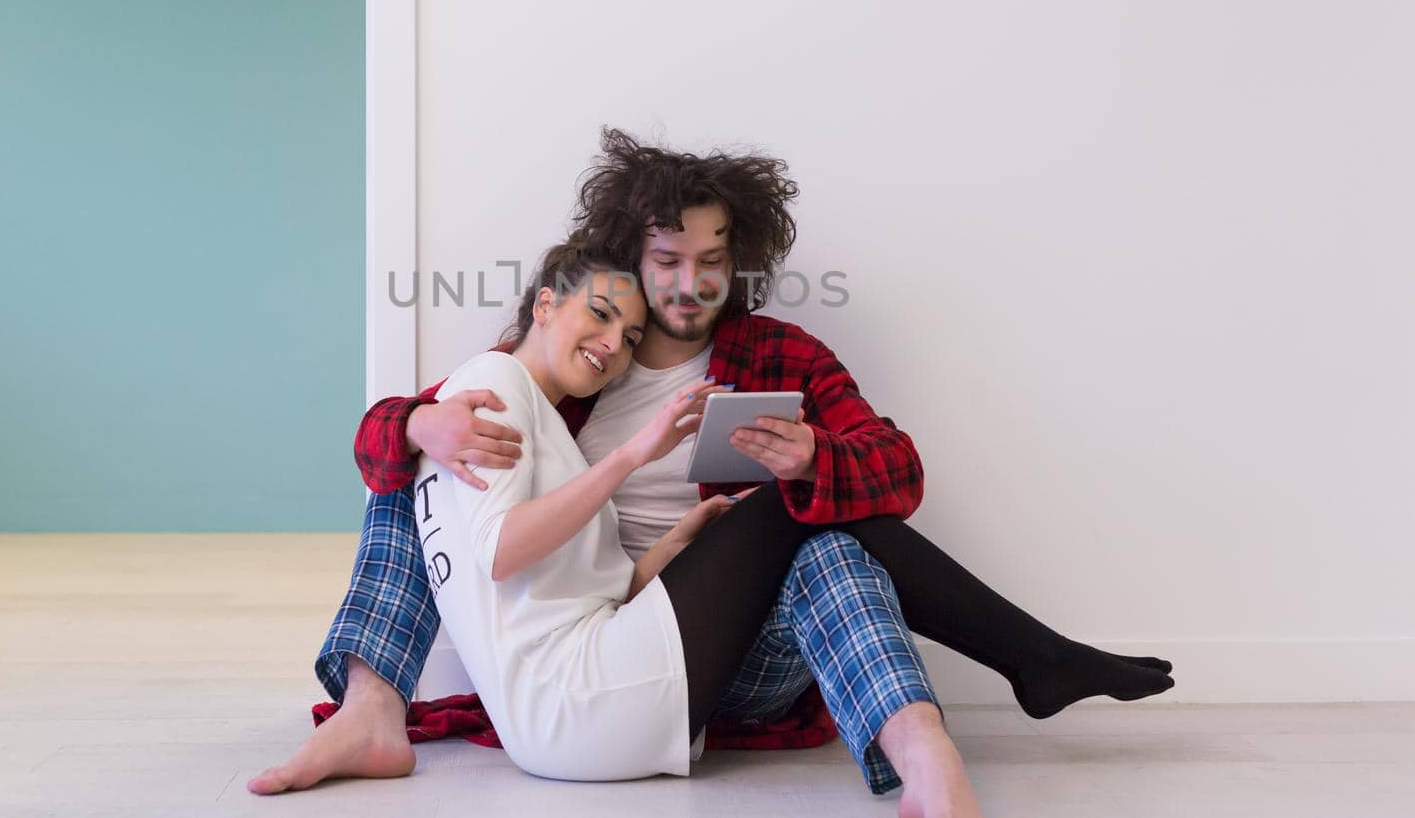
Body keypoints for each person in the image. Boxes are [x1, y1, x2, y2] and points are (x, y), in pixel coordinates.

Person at [250, 130, 1173, 809]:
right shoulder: (574, 362)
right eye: (666, 260)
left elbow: (899, 467)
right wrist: (421, 424)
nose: (689, 284)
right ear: (628, 260)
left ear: (742, 265)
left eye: (712, 263)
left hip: (753, 653)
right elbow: (380, 444)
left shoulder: (784, 356)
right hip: (604, 654)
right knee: (408, 478)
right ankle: (369, 710)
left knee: (815, 534)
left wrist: (815, 458)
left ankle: (925, 752)